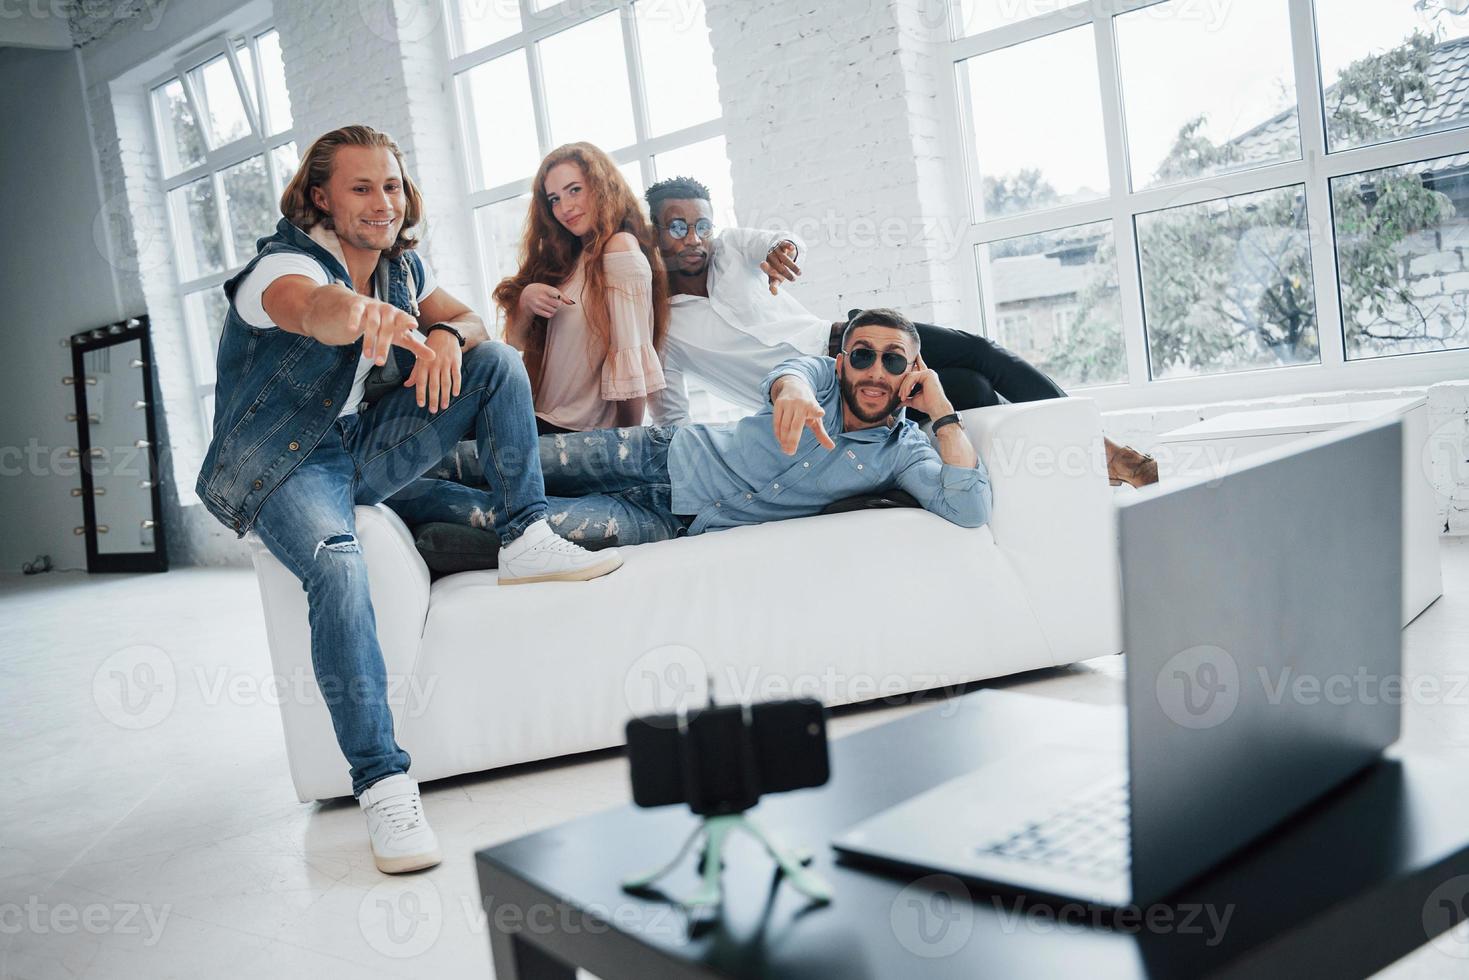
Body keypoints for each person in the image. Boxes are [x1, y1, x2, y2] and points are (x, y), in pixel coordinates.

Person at [195, 125, 623, 876]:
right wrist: (355, 316)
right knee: (336, 565)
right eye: (361, 187)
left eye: (390, 185)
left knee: (492, 363)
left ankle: (524, 536)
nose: (382, 202)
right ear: (321, 196)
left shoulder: (401, 266)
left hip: (358, 443)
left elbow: (471, 319)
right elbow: (309, 308)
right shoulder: (280, 267)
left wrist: (448, 336)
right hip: (282, 464)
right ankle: (383, 782)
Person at [642, 175, 1158, 488]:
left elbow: (779, 240)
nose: (695, 239)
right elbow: (671, 413)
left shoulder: (732, 247)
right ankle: (1072, 466)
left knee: (978, 358)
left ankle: (1097, 449)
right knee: (970, 394)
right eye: (678, 227)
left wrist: (784, 252)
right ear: (653, 233)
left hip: (849, 336)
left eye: (702, 225)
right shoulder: (663, 332)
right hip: (829, 386)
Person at [385, 309, 990, 548]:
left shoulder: (906, 450)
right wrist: (797, 394)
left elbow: (966, 509)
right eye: (862, 354)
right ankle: (381, 453)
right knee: (505, 458)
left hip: (670, 523)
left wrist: (941, 412)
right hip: (661, 454)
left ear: (911, 370)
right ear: (843, 361)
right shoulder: (821, 382)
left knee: (502, 514)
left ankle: (387, 494)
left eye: (893, 359)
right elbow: (791, 374)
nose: (874, 370)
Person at [493, 142, 669, 433]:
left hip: (578, 432)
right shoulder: (568, 259)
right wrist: (525, 301)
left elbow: (632, 360)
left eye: (574, 190)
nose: (565, 208)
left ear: (600, 186)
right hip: (536, 420)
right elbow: (515, 344)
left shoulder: (619, 249)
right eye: (554, 199)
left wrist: (624, 449)